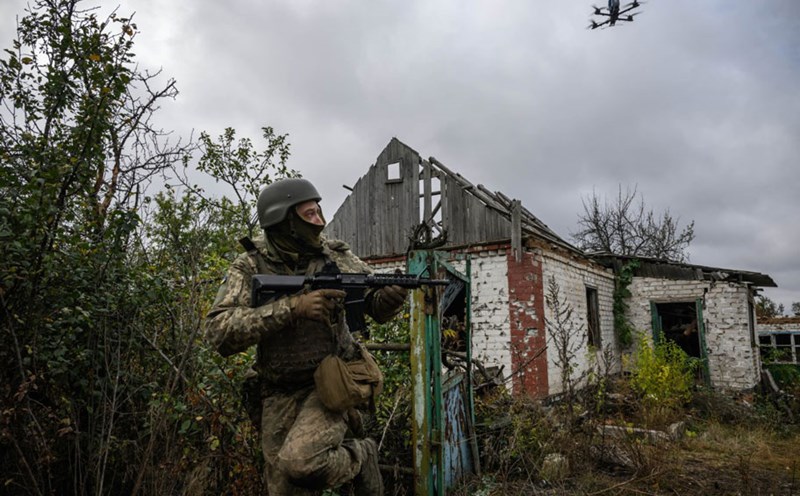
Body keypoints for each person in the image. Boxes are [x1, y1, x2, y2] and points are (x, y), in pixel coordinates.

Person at [204, 178, 407, 495]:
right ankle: (358, 456)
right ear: (286, 221)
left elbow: (373, 305)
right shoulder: (250, 265)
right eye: (309, 215)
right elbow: (220, 332)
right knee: (285, 487)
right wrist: (293, 307)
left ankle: (361, 455)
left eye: (319, 212)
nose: (320, 221)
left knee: (301, 462)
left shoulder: (335, 257)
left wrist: (390, 299)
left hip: (330, 383)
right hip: (278, 391)